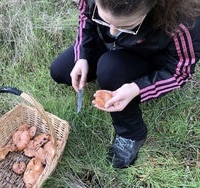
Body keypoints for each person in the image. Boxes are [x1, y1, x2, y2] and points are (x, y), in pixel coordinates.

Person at [50, 0, 200, 169]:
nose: (112, 31)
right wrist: (82, 55)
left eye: (128, 25)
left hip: (147, 55)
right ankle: (106, 57)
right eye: (104, 20)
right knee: (60, 71)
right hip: (107, 44)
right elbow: (86, 17)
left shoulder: (184, 20)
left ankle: (132, 133)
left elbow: (180, 72)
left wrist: (137, 88)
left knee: (110, 70)